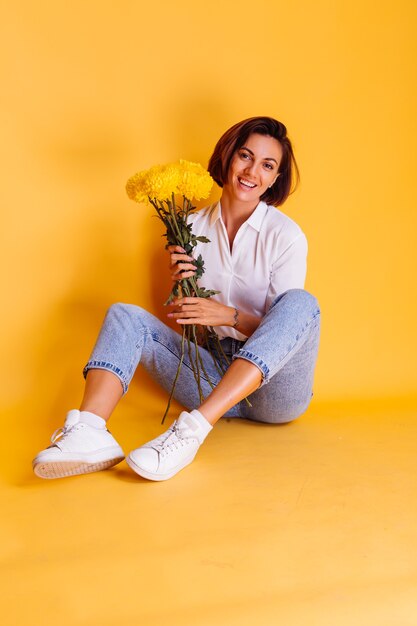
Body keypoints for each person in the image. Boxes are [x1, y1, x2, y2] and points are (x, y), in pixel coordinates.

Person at [32, 116, 321, 482]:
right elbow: (196, 337)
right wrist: (187, 294)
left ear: (276, 178)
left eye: (267, 165)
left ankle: (190, 433)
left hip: (276, 393)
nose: (252, 172)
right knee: (124, 314)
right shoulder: (190, 229)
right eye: (245, 156)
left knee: (301, 302)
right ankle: (90, 431)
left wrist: (228, 316)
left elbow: (286, 335)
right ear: (228, 157)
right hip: (213, 376)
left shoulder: (286, 237)